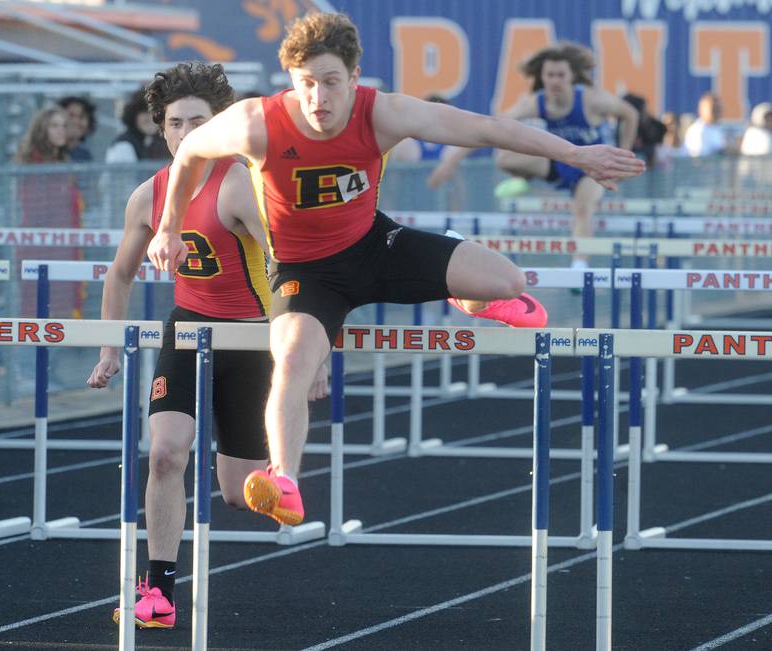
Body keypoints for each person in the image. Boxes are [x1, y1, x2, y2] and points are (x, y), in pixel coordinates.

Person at [146, 13, 644, 528]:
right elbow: (190, 157)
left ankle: (469, 294)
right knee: (292, 362)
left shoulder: (382, 114)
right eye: (307, 85)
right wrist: (169, 228)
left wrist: (576, 154)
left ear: (356, 77)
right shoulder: (256, 123)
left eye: (331, 83)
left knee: (509, 281)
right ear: (291, 83)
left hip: (375, 246)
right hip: (308, 275)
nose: (319, 99)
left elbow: (485, 128)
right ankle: (285, 480)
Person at [87, 62, 327, 630]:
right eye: (176, 122)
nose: (187, 131)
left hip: (250, 337)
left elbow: (290, 264)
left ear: (219, 124)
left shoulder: (240, 182)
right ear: (160, 130)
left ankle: (280, 476)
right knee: (167, 453)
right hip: (188, 328)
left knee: (238, 493)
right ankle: (159, 591)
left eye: (200, 120)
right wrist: (109, 349)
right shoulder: (148, 196)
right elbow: (119, 274)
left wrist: (308, 351)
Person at [428, 42, 639, 266]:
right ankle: (524, 178)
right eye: (550, 75)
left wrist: (623, 153)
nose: (555, 81)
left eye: (561, 75)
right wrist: (451, 161)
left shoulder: (591, 99)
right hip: (561, 163)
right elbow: (492, 128)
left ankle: (579, 265)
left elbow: (630, 113)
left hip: (591, 169)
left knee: (583, 206)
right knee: (504, 158)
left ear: (572, 77)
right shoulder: (536, 102)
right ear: (542, 77)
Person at [14, 106, 85, 318]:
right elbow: (35, 209)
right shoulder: (32, 163)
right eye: (54, 126)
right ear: (41, 130)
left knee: (63, 308)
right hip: (40, 247)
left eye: (64, 125)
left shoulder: (64, 162)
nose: (60, 130)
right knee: (39, 309)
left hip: (65, 245)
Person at [105, 88, 170, 163]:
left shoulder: (164, 141)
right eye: (145, 112)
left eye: (156, 112)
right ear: (133, 115)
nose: (151, 118)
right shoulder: (123, 146)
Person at [683, 92, 732, 157]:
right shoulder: (697, 130)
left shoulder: (719, 129)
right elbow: (700, 157)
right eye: (714, 109)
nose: (717, 112)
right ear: (701, 109)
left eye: (719, 109)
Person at [58, 96, 97, 162]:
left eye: (81, 116)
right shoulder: (48, 152)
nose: (76, 121)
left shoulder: (85, 155)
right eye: (71, 115)